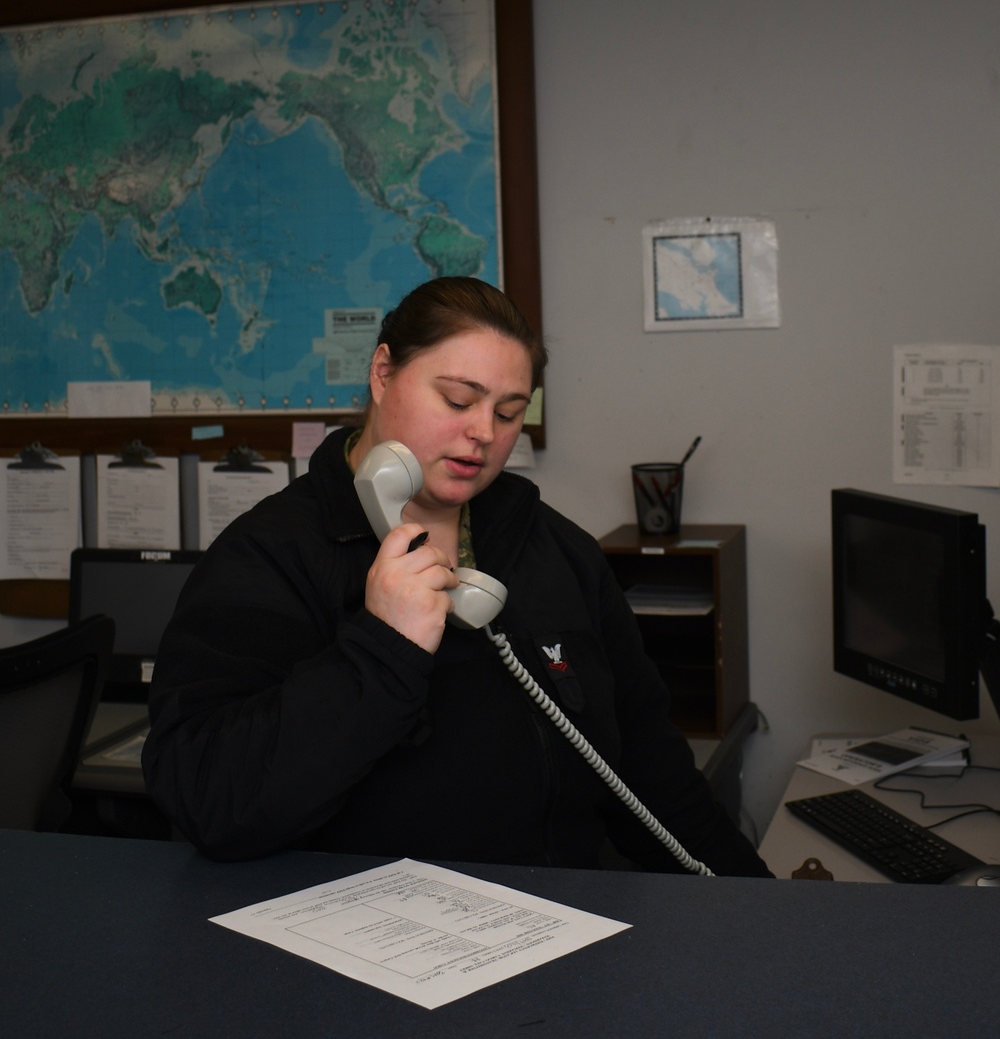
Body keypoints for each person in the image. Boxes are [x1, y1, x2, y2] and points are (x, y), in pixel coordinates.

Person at [142, 277, 771, 877]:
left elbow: (650, 767)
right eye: (458, 400)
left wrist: (764, 908)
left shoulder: (558, 551)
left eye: (508, 412)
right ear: (383, 374)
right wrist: (381, 650)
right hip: (370, 952)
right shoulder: (269, 555)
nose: (483, 434)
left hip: (562, 930)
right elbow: (208, 798)